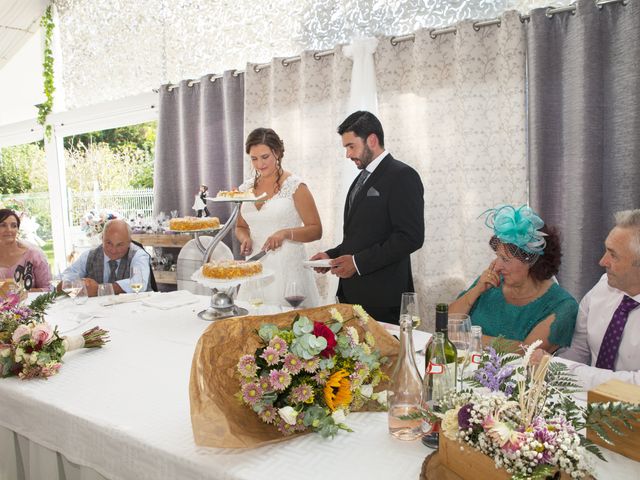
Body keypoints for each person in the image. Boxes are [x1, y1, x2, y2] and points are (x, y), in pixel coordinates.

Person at [310, 111, 424, 324]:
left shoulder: (402, 175)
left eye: (351, 146)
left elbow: (411, 237)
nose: (348, 155)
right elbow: (361, 237)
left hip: (382, 300)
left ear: (372, 140)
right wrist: (330, 256)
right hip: (352, 298)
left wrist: (357, 263)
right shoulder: (360, 179)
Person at [449, 205, 578, 353]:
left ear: (531, 261)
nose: (497, 266)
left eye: (505, 259)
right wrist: (476, 291)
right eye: (497, 256)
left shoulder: (562, 307)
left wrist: (469, 338)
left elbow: (527, 351)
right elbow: (445, 324)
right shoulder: (490, 283)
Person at [235, 128, 322, 307]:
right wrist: (245, 239)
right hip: (255, 268)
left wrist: (284, 233)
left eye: (265, 157)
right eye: (254, 158)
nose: (259, 164)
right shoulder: (245, 189)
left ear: (277, 153)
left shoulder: (296, 186)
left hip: (287, 271)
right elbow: (241, 226)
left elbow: (316, 230)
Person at [557, 209, 640, 389]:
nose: (602, 262)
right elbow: (577, 350)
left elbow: (636, 386)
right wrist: (547, 367)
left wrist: (564, 370)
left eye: (613, 255)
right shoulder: (603, 288)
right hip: (588, 405)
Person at [62, 218, 152, 297]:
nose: (113, 250)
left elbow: (139, 283)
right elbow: (65, 278)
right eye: (109, 243)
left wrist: (100, 290)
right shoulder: (89, 256)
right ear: (102, 238)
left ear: (129, 242)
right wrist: (75, 286)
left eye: (120, 245)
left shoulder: (138, 255)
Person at [0, 209, 51, 291]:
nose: (9, 230)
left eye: (14, 226)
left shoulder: (34, 255)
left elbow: (48, 289)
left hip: (31, 303)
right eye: (3, 225)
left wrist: (22, 292)